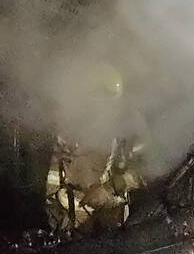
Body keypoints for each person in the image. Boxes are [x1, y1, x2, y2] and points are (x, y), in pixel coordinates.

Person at [45, 64, 146, 235]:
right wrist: (63, 223)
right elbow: (52, 191)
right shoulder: (65, 139)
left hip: (118, 231)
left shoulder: (127, 136)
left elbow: (147, 172)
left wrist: (109, 189)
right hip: (72, 237)